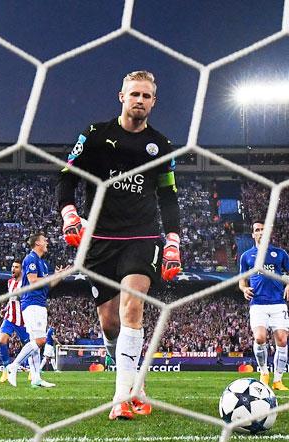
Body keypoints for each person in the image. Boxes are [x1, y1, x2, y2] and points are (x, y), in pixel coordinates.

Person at [56, 70, 181, 420]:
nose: (139, 100)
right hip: (99, 239)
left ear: (153, 102)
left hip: (142, 237)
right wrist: (69, 214)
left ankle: (120, 399)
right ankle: (132, 382)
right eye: (134, 94)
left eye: (146, 96)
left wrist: (173, 239)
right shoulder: (95, 135)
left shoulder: (162, 146)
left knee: (132, 310)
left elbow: (169, 195)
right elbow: (67, 178)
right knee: (110, 323)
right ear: (121, 96)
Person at [239, 221, 289, 391]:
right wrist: (244, 289)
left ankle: (278, 380)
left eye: (263, 230)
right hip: (258, 304)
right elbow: (242, 281)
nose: (260, 232)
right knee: (259, 338)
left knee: (281, 339)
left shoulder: (279, 254)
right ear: (253, 234)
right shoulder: (246, 256)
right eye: (257, 230)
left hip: (278, 303)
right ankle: (264, 372)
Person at [6, 233, 63, 388]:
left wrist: (58, 276)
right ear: (38, 243)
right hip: (32, 302)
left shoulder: (43, 263)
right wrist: (51, 276)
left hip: (39, 301)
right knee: (40, 341)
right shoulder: (30, 259)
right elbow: (33, 280)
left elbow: (48, 285)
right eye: (44, 240)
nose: (47, 243)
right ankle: (14, 366)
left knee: (35, 342)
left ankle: (36, 377)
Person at [0, 260, 30, 383]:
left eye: (16, 267)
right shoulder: (10, 282)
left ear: (21, 269)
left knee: (29, 346)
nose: (13, 269)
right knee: (2, 340)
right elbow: (11, 299)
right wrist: (6, 308)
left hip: (23, 320)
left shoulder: (26, 283)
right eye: (12, 266)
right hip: (10, 317)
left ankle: (31, 370)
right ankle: (6, 368)